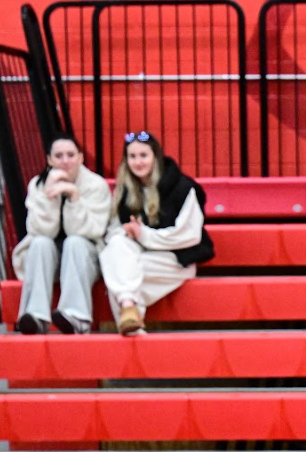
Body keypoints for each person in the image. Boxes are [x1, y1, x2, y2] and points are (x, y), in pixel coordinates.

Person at [100, 131, 214, 334]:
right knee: (117, 251)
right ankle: (129, 311)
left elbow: (189, 236)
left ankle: (129, 315)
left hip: (175, 260)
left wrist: (143, 235)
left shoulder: (183, 187)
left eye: (143, 155)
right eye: (132, 157)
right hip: (141, 258)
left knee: (118, 273)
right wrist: (128, 234)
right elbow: (112, 232)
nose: (138, 162)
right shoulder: (125, 190)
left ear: (156, 157)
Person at [11, 135, 111, 335]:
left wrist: (74, 197)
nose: (65, 161)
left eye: (70, 155)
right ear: (49, 160)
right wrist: (50, 197)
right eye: (59, 156)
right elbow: (39, 230)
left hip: (86, 258)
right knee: (39, 243)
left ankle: (76, 317)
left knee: (75, 242)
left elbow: (92, 231)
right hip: (51, 258)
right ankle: (35, 317)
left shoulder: (96, 185)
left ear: (81, 158)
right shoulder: (37, 185)